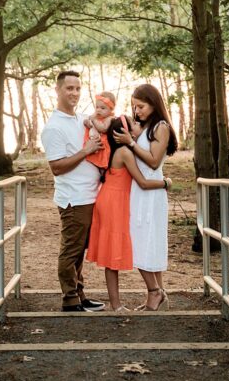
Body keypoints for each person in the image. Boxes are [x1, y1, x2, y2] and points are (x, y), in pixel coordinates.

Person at [87, 116, 173, 312]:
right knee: (112, 254)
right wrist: (165, 183)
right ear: (121, 133)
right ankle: (118, 305)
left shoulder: (119, 150)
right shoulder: (125, 152)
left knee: (112, 251)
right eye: (133, 124)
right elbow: (142, 182)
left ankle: (155, 293)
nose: (138, 126)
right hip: (113, 203)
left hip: (112, 200)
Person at [41, 70, 106, 312]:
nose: (74, 93)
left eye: (78, 88)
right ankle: (69, 299)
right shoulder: (53, 127)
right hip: (73, 199)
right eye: (69, 88)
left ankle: (79, 294)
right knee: (71, 250)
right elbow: (57, 167)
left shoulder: (79, 119)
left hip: (90, 195)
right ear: (57, 90)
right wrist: (86, 150)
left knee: (79, 249)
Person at [112, 83, 178, 311]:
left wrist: (130, 143)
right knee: (145, 242)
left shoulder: (161, 127)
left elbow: (153, 160)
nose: (136, 111)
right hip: (139, 192)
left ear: (153, 103)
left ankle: (154, 292)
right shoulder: (144, 126)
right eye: (134, 107)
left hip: (151, 193)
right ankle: (159, 292)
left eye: (140, 106)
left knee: (142, 243)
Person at [82, 92, 116, 172]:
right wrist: (86, 121)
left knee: (103, 168)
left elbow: (103, 129)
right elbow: (89, 120)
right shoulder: (96, 116)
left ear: (111, 109)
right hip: (93, 145)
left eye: (102, 108)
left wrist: (93, 120)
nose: (98, 110)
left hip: (103, 146)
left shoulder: (110, 118)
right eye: (97, 107)